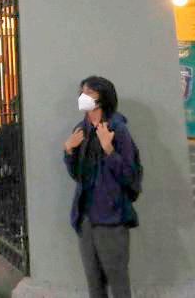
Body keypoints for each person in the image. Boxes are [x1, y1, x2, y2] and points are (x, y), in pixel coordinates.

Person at [63, 76, 141, 298]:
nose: (83, 97)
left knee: (118, 282)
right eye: (82, 92)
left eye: (89, 93)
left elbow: (131, 176)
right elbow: (78, 175)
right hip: (85, 217)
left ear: (102, 98)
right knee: (94, 282)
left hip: (111, 218)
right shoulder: (81, 129)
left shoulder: (118, 129)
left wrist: (109, 150)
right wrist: (69, 151)